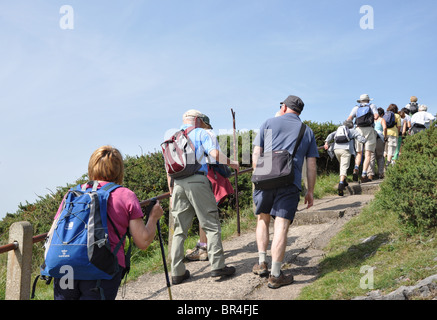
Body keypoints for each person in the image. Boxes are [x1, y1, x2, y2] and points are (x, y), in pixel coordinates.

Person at [52, 146, 164, 300]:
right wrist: (153, 218)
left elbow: (54, 232)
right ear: (119, 169)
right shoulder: (125, 195)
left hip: (65, 267)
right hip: (101, 270)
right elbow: (143, 241)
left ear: (91, 167)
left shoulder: (71, 194)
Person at [252, 95, 319, 289]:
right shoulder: (307, 131)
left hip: (264, 182)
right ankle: (275, 274)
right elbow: (312, 165)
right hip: (290, 183)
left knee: (263, 219)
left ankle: (262, 262)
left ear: (284, 107)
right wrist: (310, 191)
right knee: (281, 225)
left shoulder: (268, 122)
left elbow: (256, 154)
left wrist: (259, 178)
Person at [167, 109, 239, 285]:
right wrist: (232, 163)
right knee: (211, 224)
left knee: (179, 230)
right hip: (197, 181)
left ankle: (176, 272)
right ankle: (217, 266)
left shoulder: (173, 137)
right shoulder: (203, 133)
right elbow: (214, 155)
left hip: (178, 184)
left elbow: (169, 166)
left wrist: (171, 189)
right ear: (198, 120)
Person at [185, 114, 234, 262]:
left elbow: (212, 156)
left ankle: (204, 248)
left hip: (208, 176)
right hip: (211, 176)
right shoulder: (204, 134)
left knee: (204, 214)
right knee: (205, 213)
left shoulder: (205, 134)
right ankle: (204, 247)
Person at [324, 120, 366, 196]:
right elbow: (360, 139)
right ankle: (341, 184)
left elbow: (331, 135)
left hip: (336, 150)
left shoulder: (339, 130)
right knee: (344, 167)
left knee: (342, 166)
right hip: (346, 150)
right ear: (351, 125)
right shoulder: (353, 131)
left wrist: (326, 142)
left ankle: (344, 181)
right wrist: (365, 140)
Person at [347, 94, 379, 183]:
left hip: (358, 130)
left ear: (360, 101)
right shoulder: (372, 106)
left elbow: (349, 119)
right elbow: (376, 116)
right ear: (368, 100)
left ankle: (356, 168)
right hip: (369, 129)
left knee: (359, 152)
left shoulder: (356, 108)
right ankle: (364, 174)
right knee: (368, 154)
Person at [369, 108, 387, 179]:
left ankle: (370, 174)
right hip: (379, 138)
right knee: (380, 156)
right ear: (382, 114)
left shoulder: (371, 119)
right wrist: (385, 137)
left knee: (371, 157)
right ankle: (380, 173)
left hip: (371, 138)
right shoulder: (382, 119)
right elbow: (385, 128)